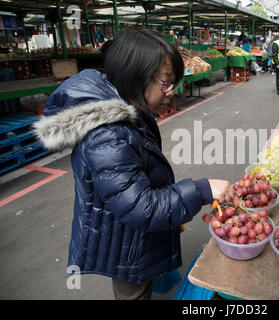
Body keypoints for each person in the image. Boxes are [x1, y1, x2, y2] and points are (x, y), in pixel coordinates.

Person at [33, 29, 234, 300]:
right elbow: (140, 206)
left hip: (134, 236)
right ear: (136, 76)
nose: (173, 92)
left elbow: (138, 179)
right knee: (133, 292)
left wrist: (170, 205)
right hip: (124, 244)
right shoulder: (108, 134)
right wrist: (200, 190)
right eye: (166, 82)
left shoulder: (132, 111)